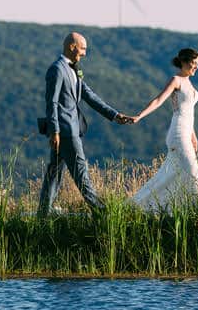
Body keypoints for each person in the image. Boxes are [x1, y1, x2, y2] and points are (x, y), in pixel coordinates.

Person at [38, 32, 133, 217]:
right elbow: (52, 103)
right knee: (80, 171)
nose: (84, 53)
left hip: (71, 128)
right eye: (83, 49)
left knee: (54, 172)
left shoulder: (75, 69)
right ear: (72, 47)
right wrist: (55, 131)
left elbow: (89, 95)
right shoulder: (57, 69)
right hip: (66, 131)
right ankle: (101, 213)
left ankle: (43, 213)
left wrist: (114, 115)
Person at [129, 48, 198, 211]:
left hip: (186, 133)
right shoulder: (176, 80)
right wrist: (139, 116)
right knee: (192, 172)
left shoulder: (189, 83)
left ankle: (157, 207)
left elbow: (189, 113)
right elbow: (159, 100)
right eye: (193, 63)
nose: (196, 67)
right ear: (183, 62)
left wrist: (193, 136)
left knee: (172, 174)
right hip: (178, 133)